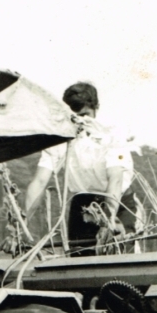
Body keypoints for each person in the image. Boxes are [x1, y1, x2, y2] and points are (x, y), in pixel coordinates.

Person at [24, 82, 132, 235]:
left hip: (117, 202)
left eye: (85, 115)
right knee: (79, 256)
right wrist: (22, 226)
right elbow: (40, 181)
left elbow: (116, 178)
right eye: (74, 117)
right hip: (83, 203)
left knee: (117, 253)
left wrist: (108, 220)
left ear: (96, 109)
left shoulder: (112, 133)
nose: (80, 121)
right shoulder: (58, 138)